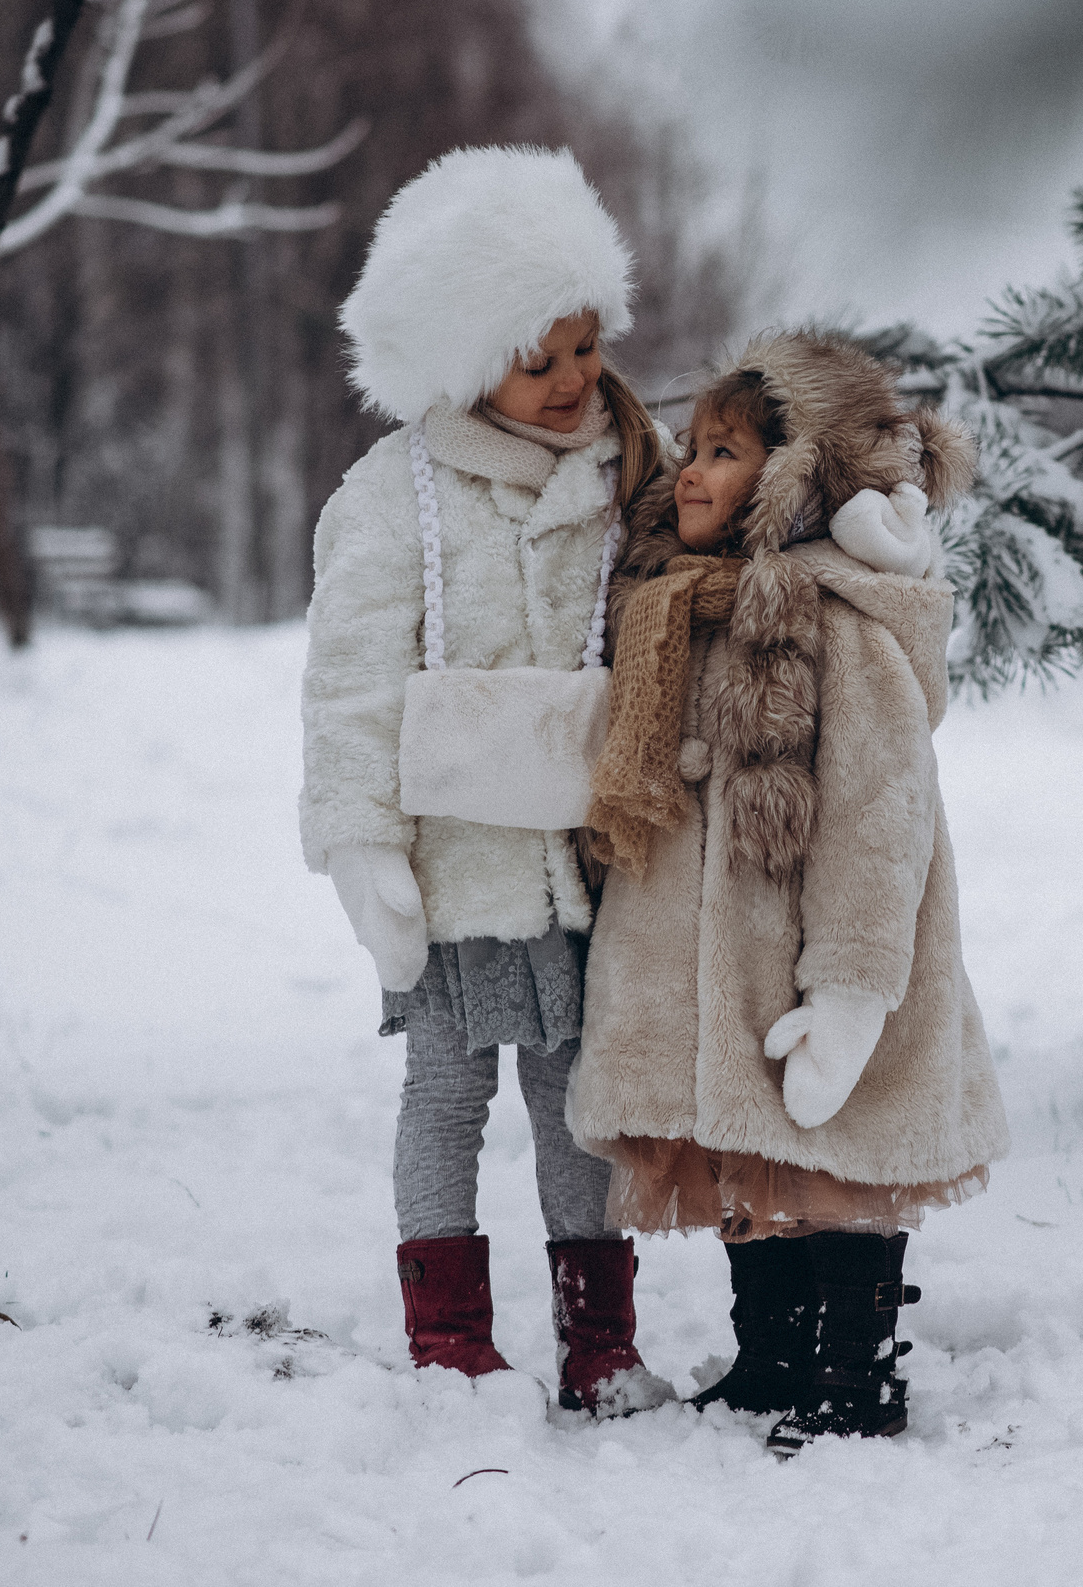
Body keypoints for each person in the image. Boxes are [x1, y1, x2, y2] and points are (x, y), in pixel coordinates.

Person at [567, 328, 1010, 1452]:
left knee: (836, 1161)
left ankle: (856, 1368)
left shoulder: (835, 623)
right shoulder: (685, 606)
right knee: (749, 1156)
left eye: (724, 452)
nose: (691, 471)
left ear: (798, 477)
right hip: (726, 959)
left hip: (822, 954)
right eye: (694, 447)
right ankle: (770, 1353)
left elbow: (877, 812)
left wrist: (854, 985)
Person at [300, 146, 674, 1416]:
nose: (575, 380)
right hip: (454, 865)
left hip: (585, 857)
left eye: (585, 346)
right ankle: (449, 1336)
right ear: (465, 365)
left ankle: (599, 1337)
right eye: (540, 360)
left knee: (579, 1100)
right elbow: (349, 681)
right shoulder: (391, 498)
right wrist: (362, 846)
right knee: (448, 1090)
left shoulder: (633, 470)